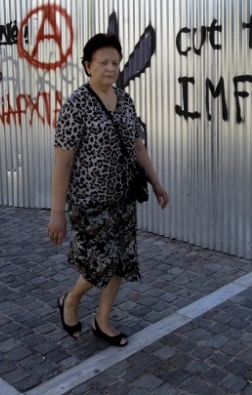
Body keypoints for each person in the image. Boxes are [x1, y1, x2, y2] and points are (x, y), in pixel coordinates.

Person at [47, 33, 169, 347]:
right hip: (90, 201)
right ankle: (71, 300)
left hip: (123, 197)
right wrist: (56, 213)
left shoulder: (125, 100)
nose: (110, 68)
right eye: (103, 63)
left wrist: (156, 183)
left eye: (115, 62)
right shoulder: (76, 105)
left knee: (123, 260)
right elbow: (62, 164)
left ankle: (102, 321)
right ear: (88, 66)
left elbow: (138, 145)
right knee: (100, 262)